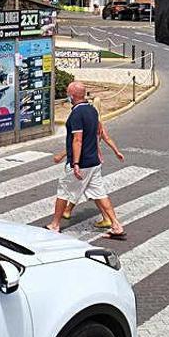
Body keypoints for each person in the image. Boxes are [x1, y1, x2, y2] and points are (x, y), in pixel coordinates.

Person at [45, 81, 126, 239]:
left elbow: (78, 140)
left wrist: (75, 163)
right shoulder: (92, 110)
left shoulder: (76, 114)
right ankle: (116, 225)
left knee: (63, 192)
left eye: (68, 94)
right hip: (94, 161)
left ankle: (54, 225)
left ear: (72, 95)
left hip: (81, 163)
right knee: (100, 194)